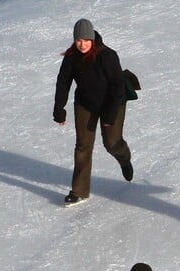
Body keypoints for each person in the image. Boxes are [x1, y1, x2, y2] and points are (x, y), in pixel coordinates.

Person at [53, 18, 133, 206]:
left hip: (112, 102)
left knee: (112, 143)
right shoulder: (72, 57)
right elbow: (63, 83)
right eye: (79, 40)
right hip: (85, 103)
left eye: (86, 40)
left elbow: (117, 86)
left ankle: (124, 158)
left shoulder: (107, 56)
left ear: (93, 39)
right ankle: (79, 190)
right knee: (83, 145)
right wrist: (59, 109)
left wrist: (110, 114)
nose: (82, 44)